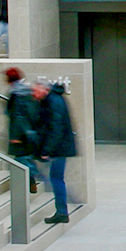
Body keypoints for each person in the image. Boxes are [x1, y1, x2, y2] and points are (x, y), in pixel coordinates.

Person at [33, 81, 78, 224]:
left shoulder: (53, 101)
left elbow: (55, 128)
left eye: (36, 91)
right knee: (56, 177)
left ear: (44, 89)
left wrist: (47, 149)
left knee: (56, 178)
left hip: (59, 148)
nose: (34, 95)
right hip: (60, 147)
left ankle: (62, 211)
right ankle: (61, 211)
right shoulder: (53, 99)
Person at [3, 67, 40, 193]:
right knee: (25, 157)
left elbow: (16, 117)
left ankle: (30, 180)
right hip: (30, 131)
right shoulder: (28, 92)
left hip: (20, 133)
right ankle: (31, 182)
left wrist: (15, 136)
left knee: (21, 158)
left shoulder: (16, 94)